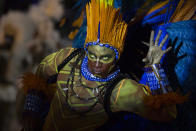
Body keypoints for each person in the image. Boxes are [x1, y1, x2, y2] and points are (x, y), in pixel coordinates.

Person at [21, 0, 186, 130]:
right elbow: (42, 69)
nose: (97, 63)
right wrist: (31, 110)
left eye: (105, 58)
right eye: (92, 55)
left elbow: (167, 114)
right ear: (86, 49)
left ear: (116, 57)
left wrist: (154, 69)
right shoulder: (68, 57)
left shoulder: (120, 91)